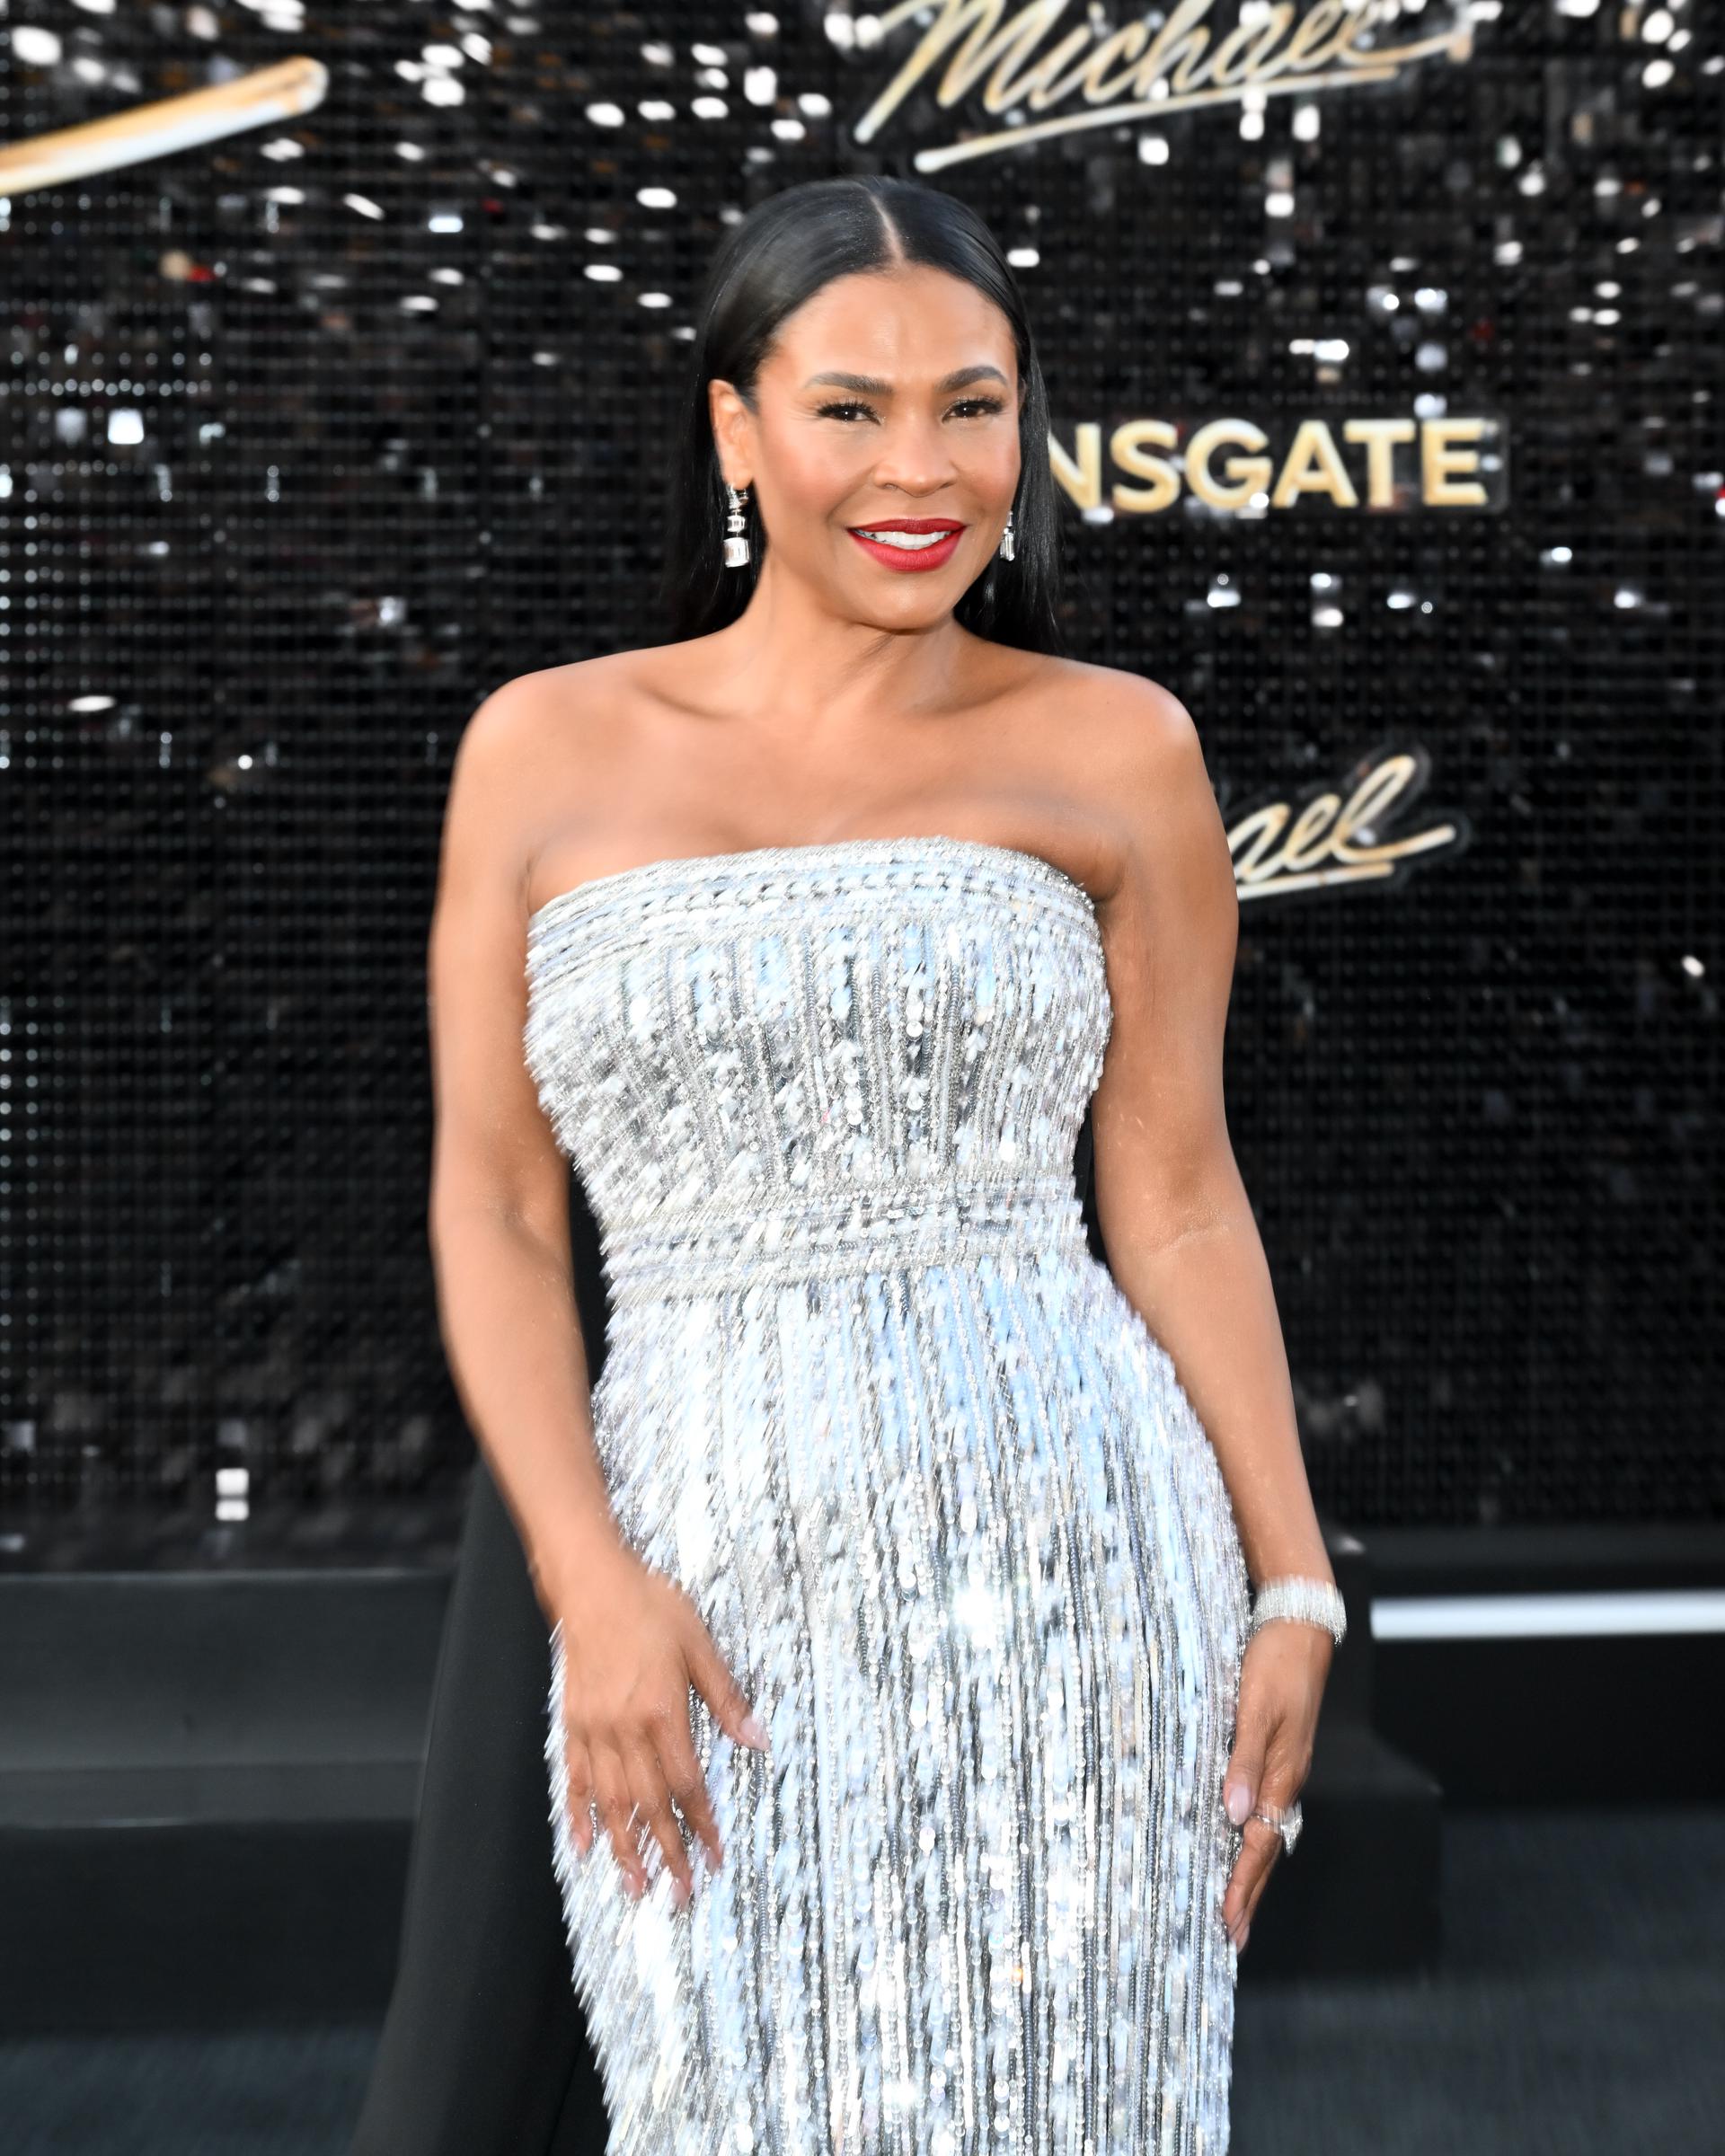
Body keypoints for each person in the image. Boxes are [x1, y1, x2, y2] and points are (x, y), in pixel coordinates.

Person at [399, 173, 1345, 2152]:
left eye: (974, 406)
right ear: (736, 429)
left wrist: (1291, 1581)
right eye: (851, 408)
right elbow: (494, 1210)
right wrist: (595, 1591)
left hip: (1085, 1580)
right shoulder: (545, 750)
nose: (921, 468)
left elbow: (1176, 1194)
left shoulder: (1118, 750)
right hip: (708, 1587)